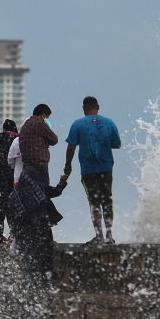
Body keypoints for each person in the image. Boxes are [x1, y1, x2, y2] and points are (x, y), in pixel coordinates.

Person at [65, 96, 122, 245]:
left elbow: (71, 146)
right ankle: (109, 236)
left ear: (84, 108)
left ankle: (99, 236)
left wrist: (68, 165)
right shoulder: (109, 123)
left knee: (94, 202)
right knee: (107, 199)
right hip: (106, 168)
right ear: (98, 107)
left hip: (88, 170)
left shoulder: (78, 124)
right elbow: (116, 144)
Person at [5, 170, 69, 286]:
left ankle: (33, 280)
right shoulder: (38, 188)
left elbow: (13, 219)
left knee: (31, 255)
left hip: (26, 232)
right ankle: (47, 280)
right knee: (45, 253)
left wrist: (13, 234)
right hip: (42, 228)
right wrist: (63, 181)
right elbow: (56, 191)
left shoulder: (14, 196)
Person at [0, 119, 19, 244]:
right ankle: (14, 233)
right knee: (15, 205)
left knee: (4, 202)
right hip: (16, 177)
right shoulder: (19, 139)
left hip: (2, 176)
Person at [19, 104, 58, 187]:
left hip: (26, 167)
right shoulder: (39, 124)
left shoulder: (25, 125)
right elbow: (54, 139)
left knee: (31, 194)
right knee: (43, 194)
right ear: (43, 115)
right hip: (39, 167)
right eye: (47, 117)